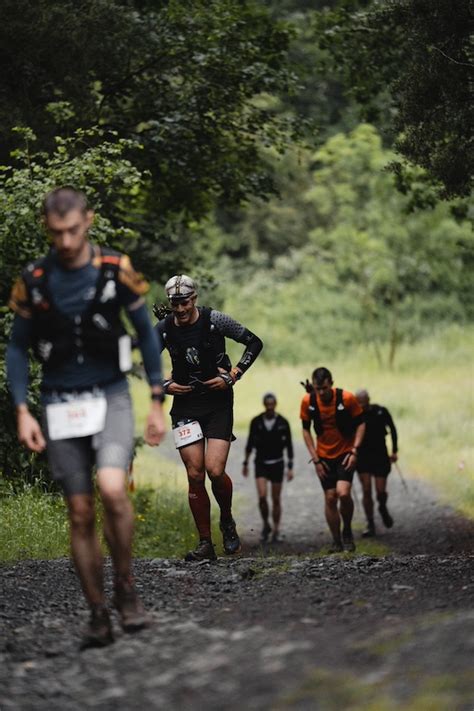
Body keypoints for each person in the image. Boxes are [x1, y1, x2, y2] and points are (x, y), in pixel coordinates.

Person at [6, 187, 166, 649]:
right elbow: (17, 347)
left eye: (74, 230)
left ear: (88, 221)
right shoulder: (33, 280)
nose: (67, 241)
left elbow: (146, 335)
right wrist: (22, 410)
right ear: (46, 229)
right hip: (59, 402)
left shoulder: (117, 270)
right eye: (57, 233)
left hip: (111, 395)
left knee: (114, 489)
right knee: (79, 512)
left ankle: (126, 587)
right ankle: (97, 612)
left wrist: (156, 400)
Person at [156, 275, 263, 561]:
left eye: (185, 302)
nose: (180, 309)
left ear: (195, 299)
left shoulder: (215, 320)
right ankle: (205, 543)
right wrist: (165, 385)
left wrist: (233, 375)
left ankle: (226, 520)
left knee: (215, 470)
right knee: (194, 474)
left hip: (217, 404)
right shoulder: (164, 329)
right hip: (185, 406)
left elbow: (254, 342)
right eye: (175, 303)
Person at [300, 367, 365, 552]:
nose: (321, 392)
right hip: (323, 456)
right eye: (317, 388)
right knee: (330, 497)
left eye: (324, 388)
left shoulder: (347, 398)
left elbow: (361, 424)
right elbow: (305, 430)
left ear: (331, 383)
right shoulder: (308, 401)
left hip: (345, 452)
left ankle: (347, 531)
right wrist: (316, 460)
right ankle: (336, 541)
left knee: (343, 493)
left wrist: (355, 450)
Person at [242, 392, 294, 543]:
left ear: (275, 404)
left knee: (276, 499)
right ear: (264, 405)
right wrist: (245, 463)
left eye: (272, 404)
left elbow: (289, 446)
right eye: (267, 404)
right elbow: (249, 444)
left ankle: (276, 529)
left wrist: (290, 467)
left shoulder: (283, 422)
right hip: (261, 464)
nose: (270, 407)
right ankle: (266, 525)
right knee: (262, 497)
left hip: (278, 463)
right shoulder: (256, 422)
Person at [355, 389, 398, 537]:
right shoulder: (354, 415)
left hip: (380, 455)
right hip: (362, 457)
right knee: (366, 490)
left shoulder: (381, 411)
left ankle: (382, 507)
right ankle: (370, 522)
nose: (361, 405)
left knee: (380, 491)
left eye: (363, 402)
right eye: (358, 402)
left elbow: (392, 429)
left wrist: (394, 451)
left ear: (368, 399)